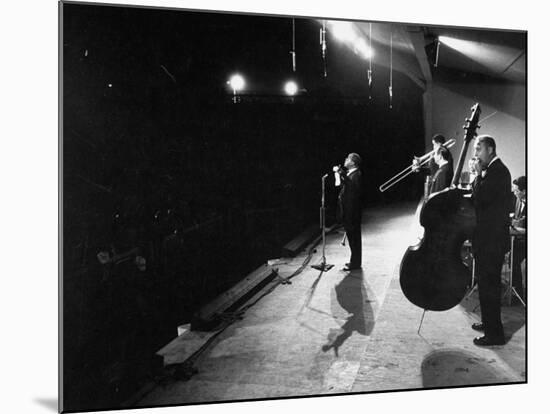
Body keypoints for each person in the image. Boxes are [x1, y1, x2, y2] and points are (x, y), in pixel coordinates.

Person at [470, 135, 511, 346]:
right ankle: (488, 323)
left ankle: (495, 335)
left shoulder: (498, 172)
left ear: (490, 149)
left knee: (489, 288)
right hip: (488, 240)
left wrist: (477, 175)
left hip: (491, 242)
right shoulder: (494, 171)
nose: (475, 154)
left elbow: (480, 199)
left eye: (478, 149)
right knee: (486, 286)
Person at [338, 153, 363, 271]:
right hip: (349, 211)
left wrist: (342, 174)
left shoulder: (356, 174)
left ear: (353, 162)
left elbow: (352, 189)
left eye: (348, 158)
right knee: (352, 238)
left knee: (354, 238)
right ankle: (354, 261)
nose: (345, 159)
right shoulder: (351, 174)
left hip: (352, 212)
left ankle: (355, 263)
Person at [510, 175, 526, 300]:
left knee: (515, 258)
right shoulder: (518, 200)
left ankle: (519, 292)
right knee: (512, 258)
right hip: (519, 238)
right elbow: (517, 220)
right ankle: (516, 290)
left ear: (524, 191)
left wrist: (517, 223)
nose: (514, 193)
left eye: (516, 191)